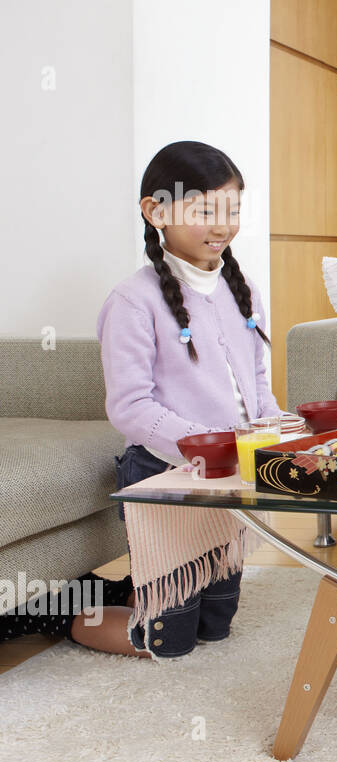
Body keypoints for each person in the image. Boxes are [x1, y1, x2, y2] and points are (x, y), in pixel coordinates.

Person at [95, 140, 281, 657]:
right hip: (164, 479)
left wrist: (279, 429)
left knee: (215, 628)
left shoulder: (242, 290)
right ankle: (68, 609)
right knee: (165, 643)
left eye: (233, 210)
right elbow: (130, 407)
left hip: (229, 482)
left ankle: (137, 590)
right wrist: (209, 444)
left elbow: (257, 387)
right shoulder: (133, 300)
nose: (223, 226)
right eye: (205, 210)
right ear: (156, 211)